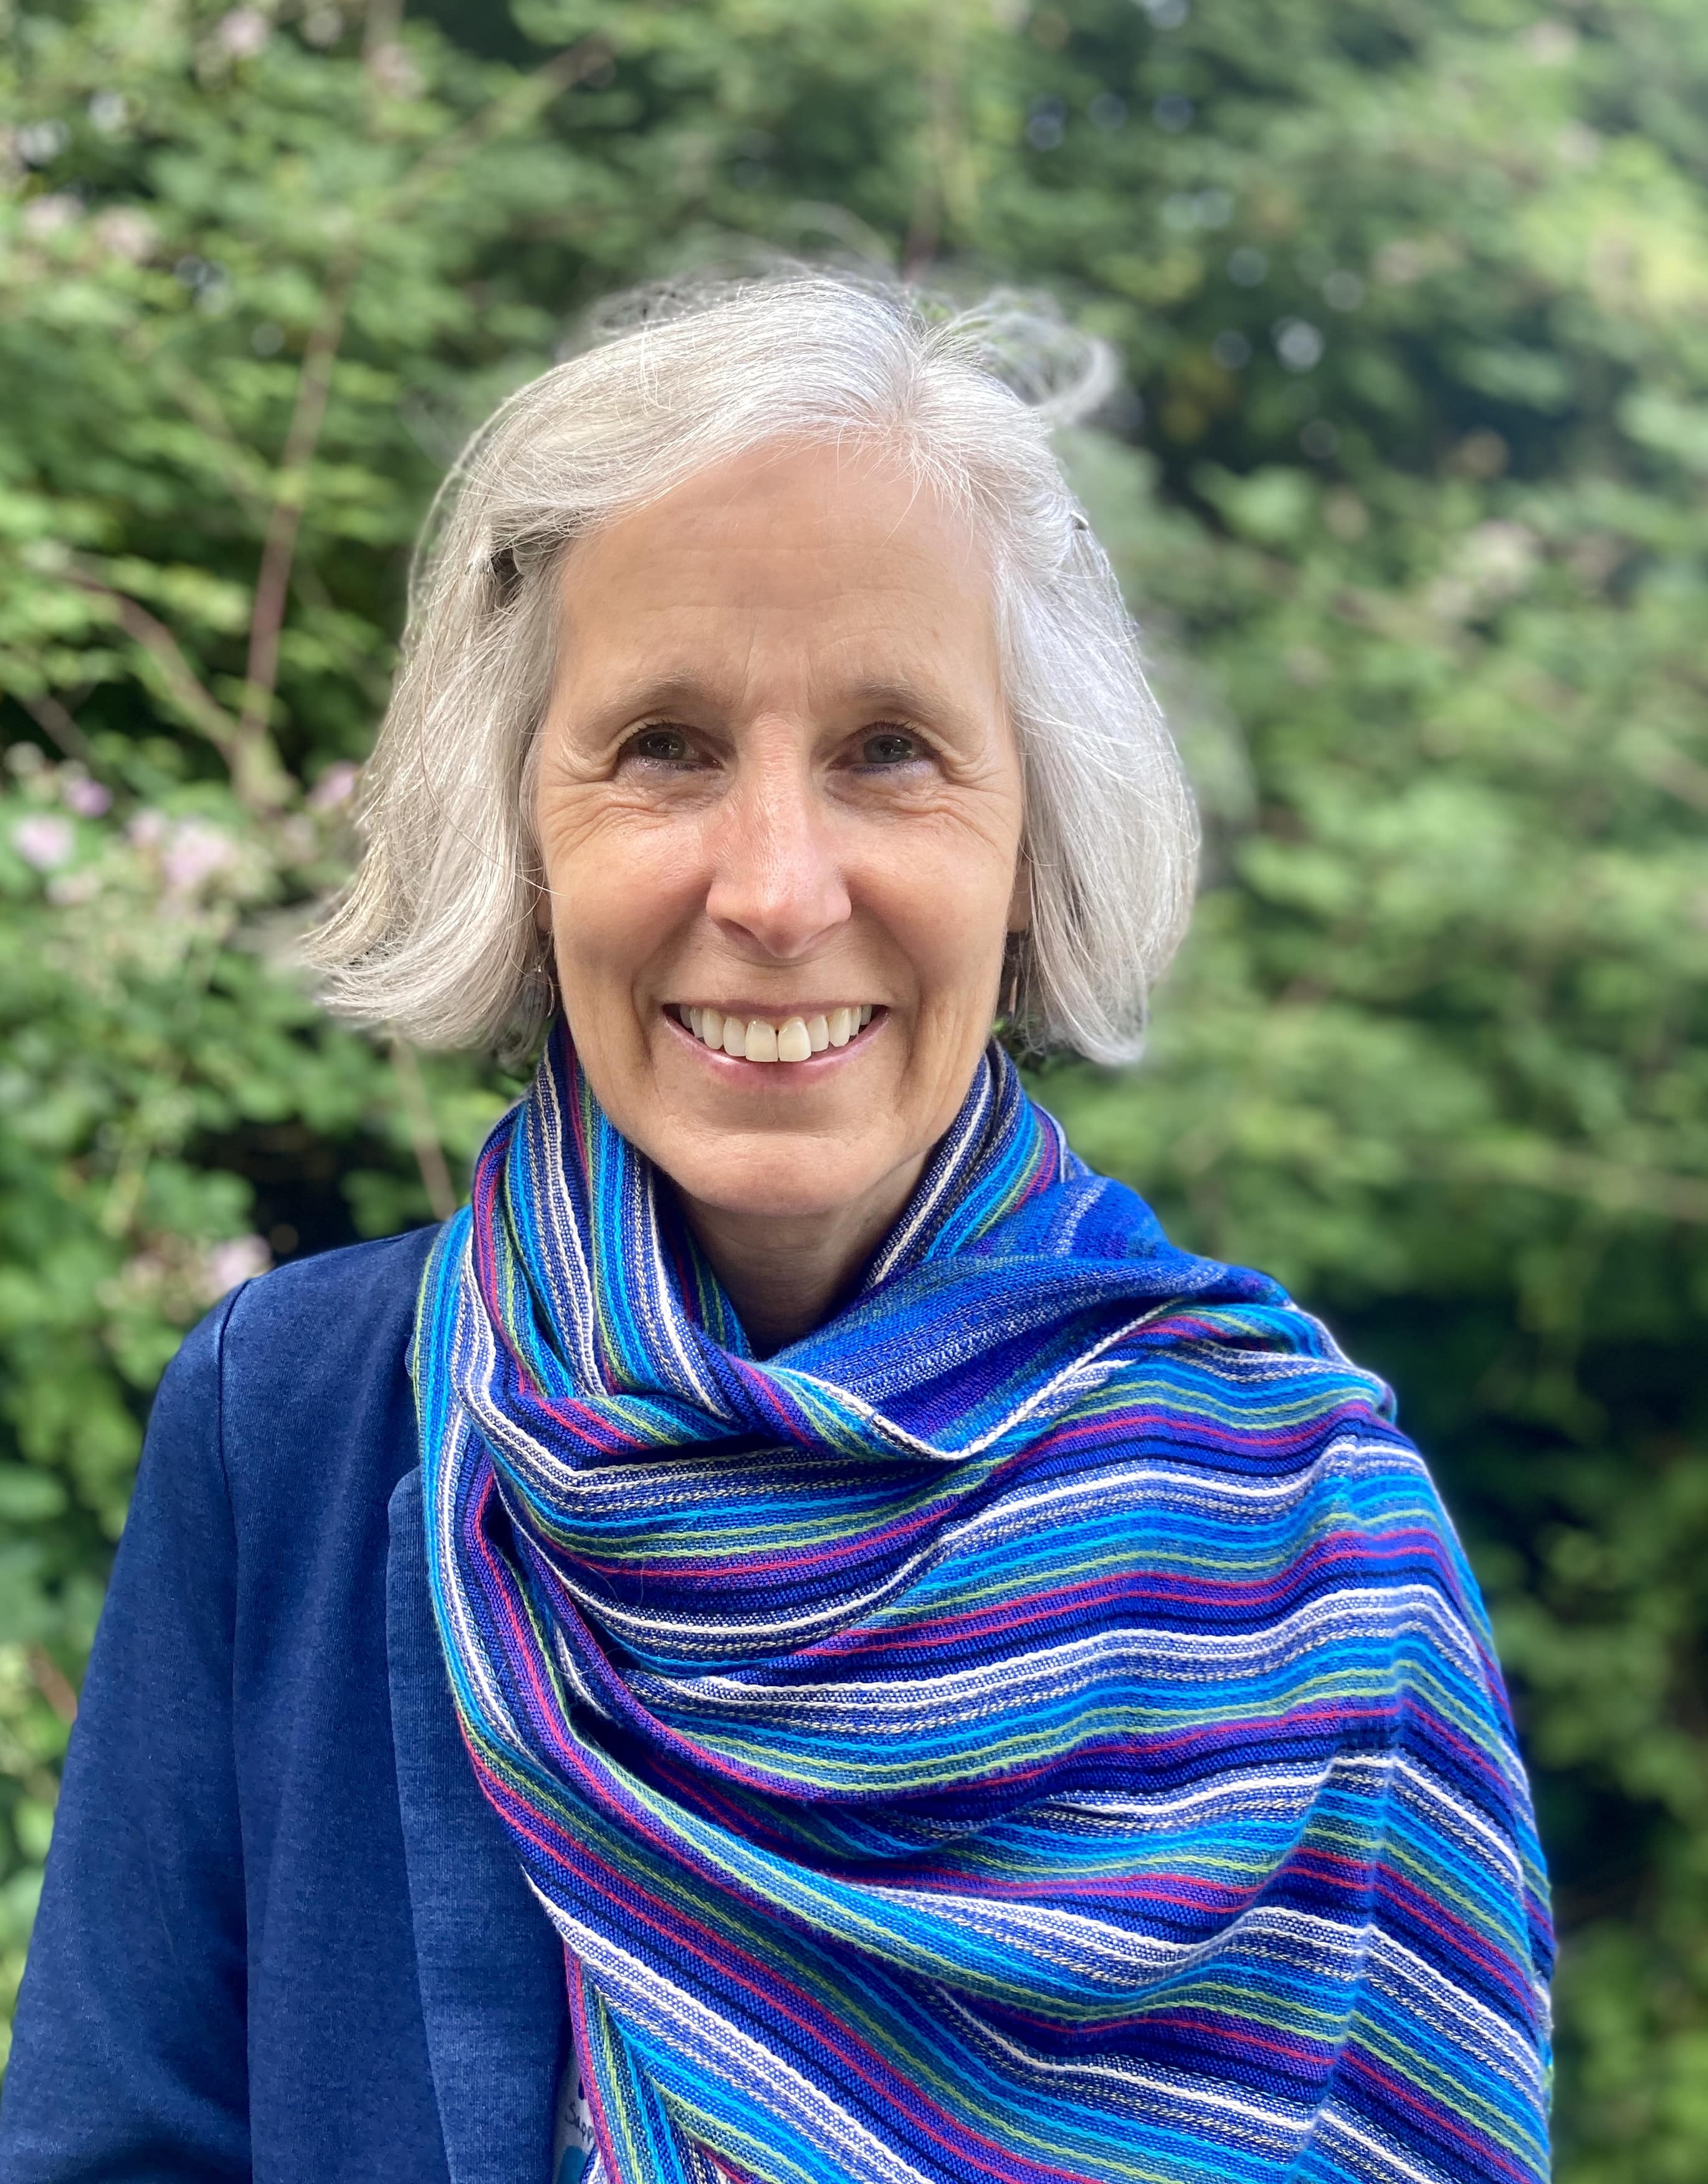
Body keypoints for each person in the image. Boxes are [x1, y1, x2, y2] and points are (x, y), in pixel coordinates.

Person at [0, 275, 1552, 2184]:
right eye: (662, 745)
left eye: (891, 746)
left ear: (1034, 839)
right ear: (521, 823)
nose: (776, 887)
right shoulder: (293, 1425)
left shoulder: (1316, 1530)